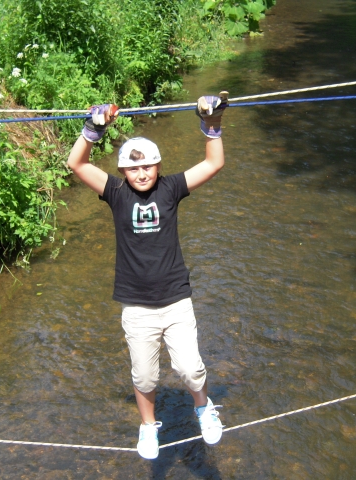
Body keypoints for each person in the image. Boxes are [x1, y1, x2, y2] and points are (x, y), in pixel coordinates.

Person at [66, 92, 228, 460]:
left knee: (190, 369)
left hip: (175, 300)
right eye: (133, 169)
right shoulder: (115, 192)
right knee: (144, 377)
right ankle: (148, 425)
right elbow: (76, 163)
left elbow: (213, 163)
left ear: (158, 166)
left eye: (149, 167)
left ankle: (203, 408)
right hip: (137, 305)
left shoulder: (171, 188)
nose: (142, 174)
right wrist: (92, 128)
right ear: (123, 171)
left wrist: (212, 124)